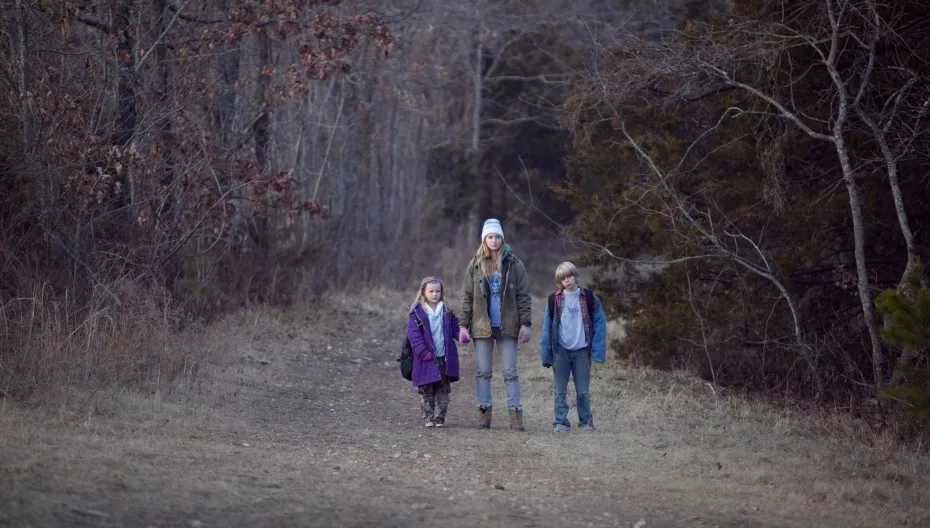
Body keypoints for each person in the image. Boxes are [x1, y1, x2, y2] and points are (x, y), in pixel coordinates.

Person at [459, 218, 532, 431]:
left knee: (510, 372)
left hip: (508, 325)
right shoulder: (475, 265)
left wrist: (525, 324)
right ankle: (484, 415)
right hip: (481, 326)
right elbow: (467, 297)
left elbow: (523, 296)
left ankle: (515, 417)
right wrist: (463, 325)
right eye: (490, 237)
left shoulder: (515, 264)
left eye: (497, 237)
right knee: (483, 371)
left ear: (502, 239)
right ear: (484, 239)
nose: (494, 240)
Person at [540, 262, 607, 432]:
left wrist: (597, 351)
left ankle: (586, 421)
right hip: (560, 351)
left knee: (583, 390)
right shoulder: (554, 300)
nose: (566, 280)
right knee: (559, 390)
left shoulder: (589, 298)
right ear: (559, 281)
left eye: (569, 276)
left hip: (582, 350)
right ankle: (561, 422)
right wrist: (547, 355)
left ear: (575, 276)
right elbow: (547, 329)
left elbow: (600, 324)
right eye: (562, 278)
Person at [407, 277, 461, 428]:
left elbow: (456, 329)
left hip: (444, 357)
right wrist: (423, 352)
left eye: (438, 291)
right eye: (431, 291)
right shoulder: (417, 312)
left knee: (443, 389)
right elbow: (414, 336)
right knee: (426, 389)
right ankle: (428, 417)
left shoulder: (447, 311)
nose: (435, 294)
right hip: (425, 358)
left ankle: (440, 418)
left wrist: (462, 335)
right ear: (423, 292)